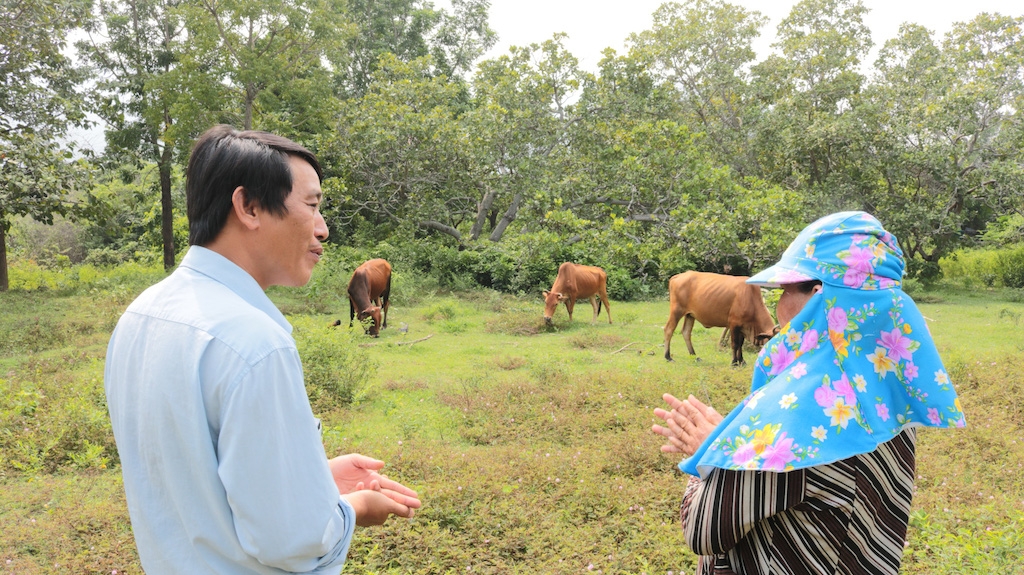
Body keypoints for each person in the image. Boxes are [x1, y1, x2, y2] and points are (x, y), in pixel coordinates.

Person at [105, 125, 421, 574]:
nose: (323, 229)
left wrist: (312, 478)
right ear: (249, 207)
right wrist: (352, 509)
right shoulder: (254, 343)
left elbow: (193, 480)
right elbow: (292, 540)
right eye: (312, 206)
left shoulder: (140, 315)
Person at [652, 211, 966, 575]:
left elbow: (702, 532)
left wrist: (716, 451)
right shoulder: (889, 404)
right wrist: (741, 445)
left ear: (819, 295)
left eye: (785, 291)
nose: (779, 309)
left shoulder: (791, 422)